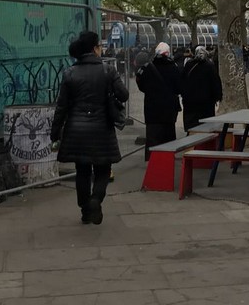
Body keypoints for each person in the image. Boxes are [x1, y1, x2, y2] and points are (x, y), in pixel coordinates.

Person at [50, 31, 128, 225]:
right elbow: (124, 94)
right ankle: (95, 200)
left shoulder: (69, 73)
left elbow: (62, 107)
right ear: (94, 49)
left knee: (82, 170)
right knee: (103, 169)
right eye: (100, 46)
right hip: (102, 129)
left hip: (76, 130)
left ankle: (85, 210)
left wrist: (55, 132)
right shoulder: (108, 70)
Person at [136, 41, 183, 160]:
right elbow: (179, 88)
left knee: (153, 137)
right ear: (167, 53)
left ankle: (152, 160)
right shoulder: (173, 67)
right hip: (169, 110)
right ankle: (167, 160)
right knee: (168, 136)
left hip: (152, 109)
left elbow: (141, 85)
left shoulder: (147, 67)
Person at [181, 45, 222, 132]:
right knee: (205, 123)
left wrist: (184, 95)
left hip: (190, 101)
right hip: (206, 101)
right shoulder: (210, 66)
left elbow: (182, 81)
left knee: (192, 123)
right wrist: (217, 96)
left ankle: (191, 134)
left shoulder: (189, 65)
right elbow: (215, 82)